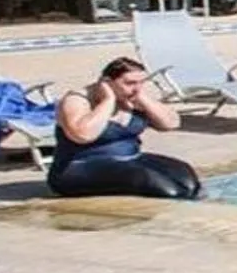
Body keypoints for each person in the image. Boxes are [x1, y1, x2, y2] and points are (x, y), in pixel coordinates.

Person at [48, 57, 200, 200]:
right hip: (79, 167)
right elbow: (82, 135)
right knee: (157, 184)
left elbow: (171, 123)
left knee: (187, 179)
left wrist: (143, 100)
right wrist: (108, 101)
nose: (137, 89)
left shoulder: (132, 98)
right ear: (107, 82)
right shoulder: (77, 100)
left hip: (130, 159)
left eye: (141, 83)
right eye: (130, 83)